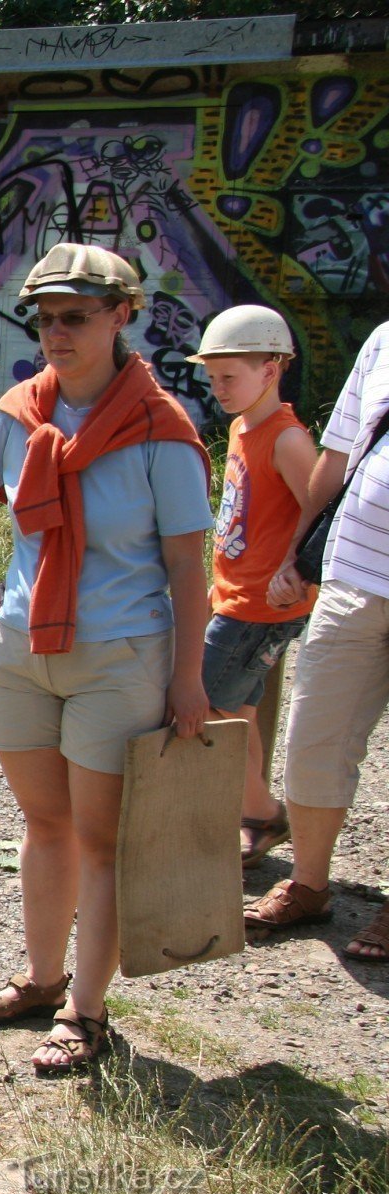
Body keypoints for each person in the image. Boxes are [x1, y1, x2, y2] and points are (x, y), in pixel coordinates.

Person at [0, 242, 211, 1074]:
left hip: (116, 656)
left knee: (99, 841)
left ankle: (85, 1013)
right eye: (46, 318)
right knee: (44, 823)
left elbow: (184, 567)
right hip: (23, 650)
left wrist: (188, 678)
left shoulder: (161, 430)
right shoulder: (19, 412)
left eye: (76, 317)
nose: (57, 333)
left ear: (121, 317)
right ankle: (39, 977)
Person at [245, 318, 389, 964]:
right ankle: (309, 884)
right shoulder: (384, 340)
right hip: (356, 572)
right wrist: (299, 555)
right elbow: (339, 455)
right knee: (313, 739)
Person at [187, 306, 317, 866]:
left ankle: (260, 812)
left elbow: (320, 509)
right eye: (213, 378)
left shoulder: (287, 440)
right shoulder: (244, 426)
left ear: (272, 368)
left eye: (230, 377)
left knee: (206, 699)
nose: (219, 389)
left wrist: (294, 566)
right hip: (236, 596)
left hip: (263, 606)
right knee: (234, 706)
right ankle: (253, 813)